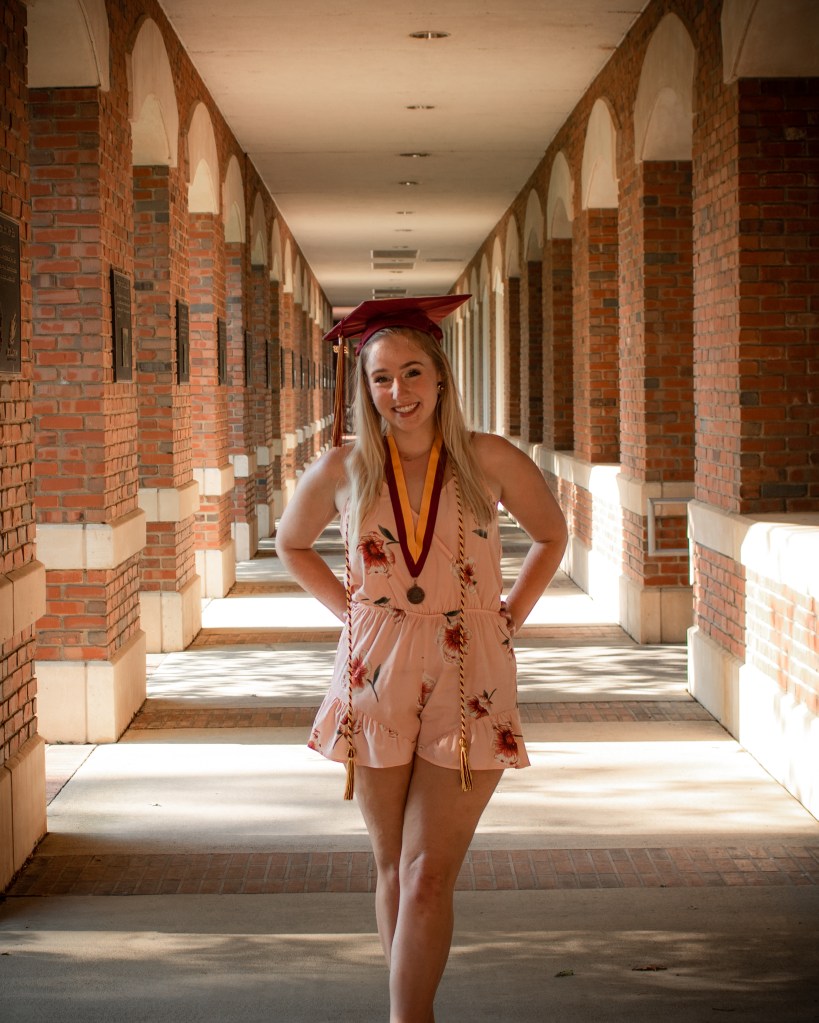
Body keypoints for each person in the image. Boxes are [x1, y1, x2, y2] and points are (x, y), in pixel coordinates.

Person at [276, 294, 568, 1023]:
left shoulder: (489, 458)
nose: (398, 392)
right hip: (374, 672)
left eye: (411, 373)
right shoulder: (344, 467)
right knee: (392, 867)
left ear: (440, 376)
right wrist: (351, 613)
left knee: (427, 871)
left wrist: (508, 615)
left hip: (470, 671)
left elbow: (551, 534)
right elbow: (292, 543)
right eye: (381, 378)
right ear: (365, 386)